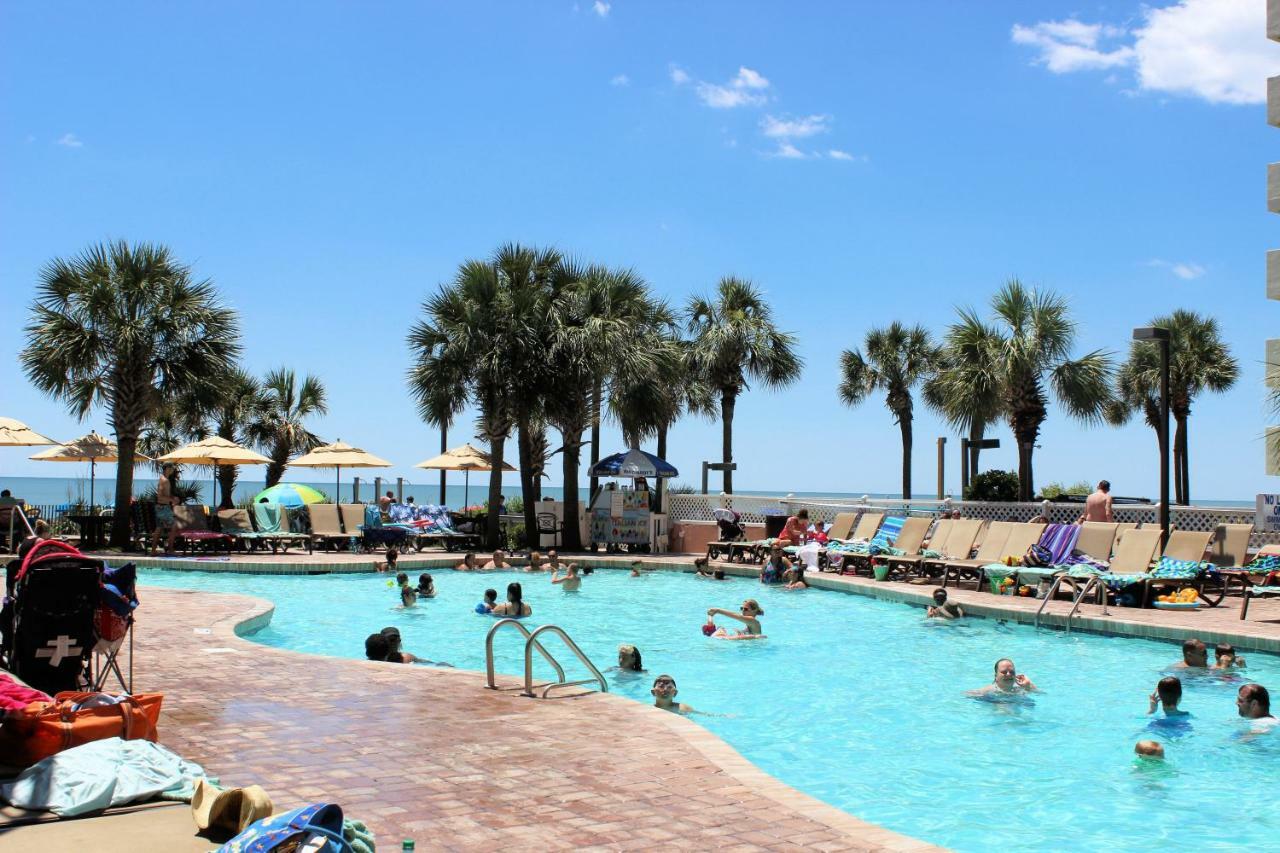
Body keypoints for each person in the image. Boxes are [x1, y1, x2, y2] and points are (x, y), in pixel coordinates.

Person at [151, 463, 181, 554]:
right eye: (172, 468)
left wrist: (173, 498)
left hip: (163, 507)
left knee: (159, 528)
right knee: (174, 526)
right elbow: (160, 497)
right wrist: (172, 499)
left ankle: (153, 550)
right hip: (163, 507)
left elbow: (165, 495)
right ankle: (170, 549)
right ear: (167, 468)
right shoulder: (164, 480)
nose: (173, 470)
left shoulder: (164, 479)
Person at [969, 658, 1038, 697]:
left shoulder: (1020, 689)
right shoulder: (989, 690)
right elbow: (968, 694)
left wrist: (1029, 685)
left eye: (1011, 672)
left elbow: (1040, 694)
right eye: (1004, 672)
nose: (1008, 674)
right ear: (996, 676)